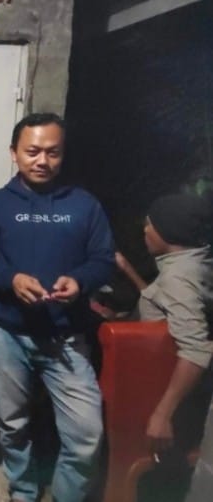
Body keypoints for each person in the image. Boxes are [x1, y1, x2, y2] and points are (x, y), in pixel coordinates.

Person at [0, 112, 115, 502]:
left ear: (63, 155)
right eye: (32, 151)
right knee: (13, 425)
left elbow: (103, 259)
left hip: (65, 338)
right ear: (14, 153)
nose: (42, 160)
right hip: (8, 335)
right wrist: (11, 279)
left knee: (86, 436)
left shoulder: (84, 205)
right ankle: (23, 491)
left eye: (53, 152)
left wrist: (80, 281)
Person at [114, 193, 213, 457]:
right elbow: (162, 301)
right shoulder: (193, 262)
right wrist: (128, 270)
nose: (145, 230)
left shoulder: (179, 278)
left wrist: (162, 414)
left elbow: (196, 350)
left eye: (150, 224)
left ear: (169, 232)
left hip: (157, 388)